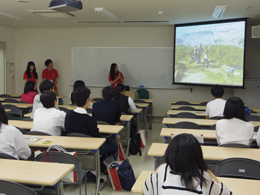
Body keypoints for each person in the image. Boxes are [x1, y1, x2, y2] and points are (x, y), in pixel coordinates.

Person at [143, 134, 231, 195]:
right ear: (197, 156)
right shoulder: (205, 177)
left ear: (170, 153)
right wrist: (205, 170)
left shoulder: (161, 171)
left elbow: (147, 189)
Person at [65, 86, 118, 177]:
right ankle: (100, 167)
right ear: (87, 101)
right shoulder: (90, 120)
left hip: (73, 148)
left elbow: (67, 130)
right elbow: (97, 138)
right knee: (113, 146)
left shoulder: (68, 115)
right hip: (89, 149)